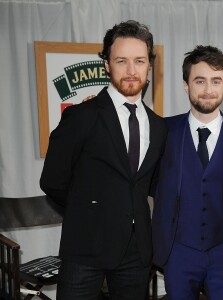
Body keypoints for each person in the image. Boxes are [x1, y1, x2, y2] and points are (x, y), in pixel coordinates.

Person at [40, 20, 167, 300]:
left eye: (139, 61)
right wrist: (91, 210)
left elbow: (148, 185)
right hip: (85, 247)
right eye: (121, 61)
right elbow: (52, 181)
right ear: (107, 65)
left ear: (149, 66)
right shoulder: (80, 117)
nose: (132, 71)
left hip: (137, 252)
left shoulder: (159, 127)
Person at [152, 45, 223, 299]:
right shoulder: (164, 132)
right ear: (186, 85)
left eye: (216, 81)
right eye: (199, 81)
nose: (208, 90)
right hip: (178, 255)